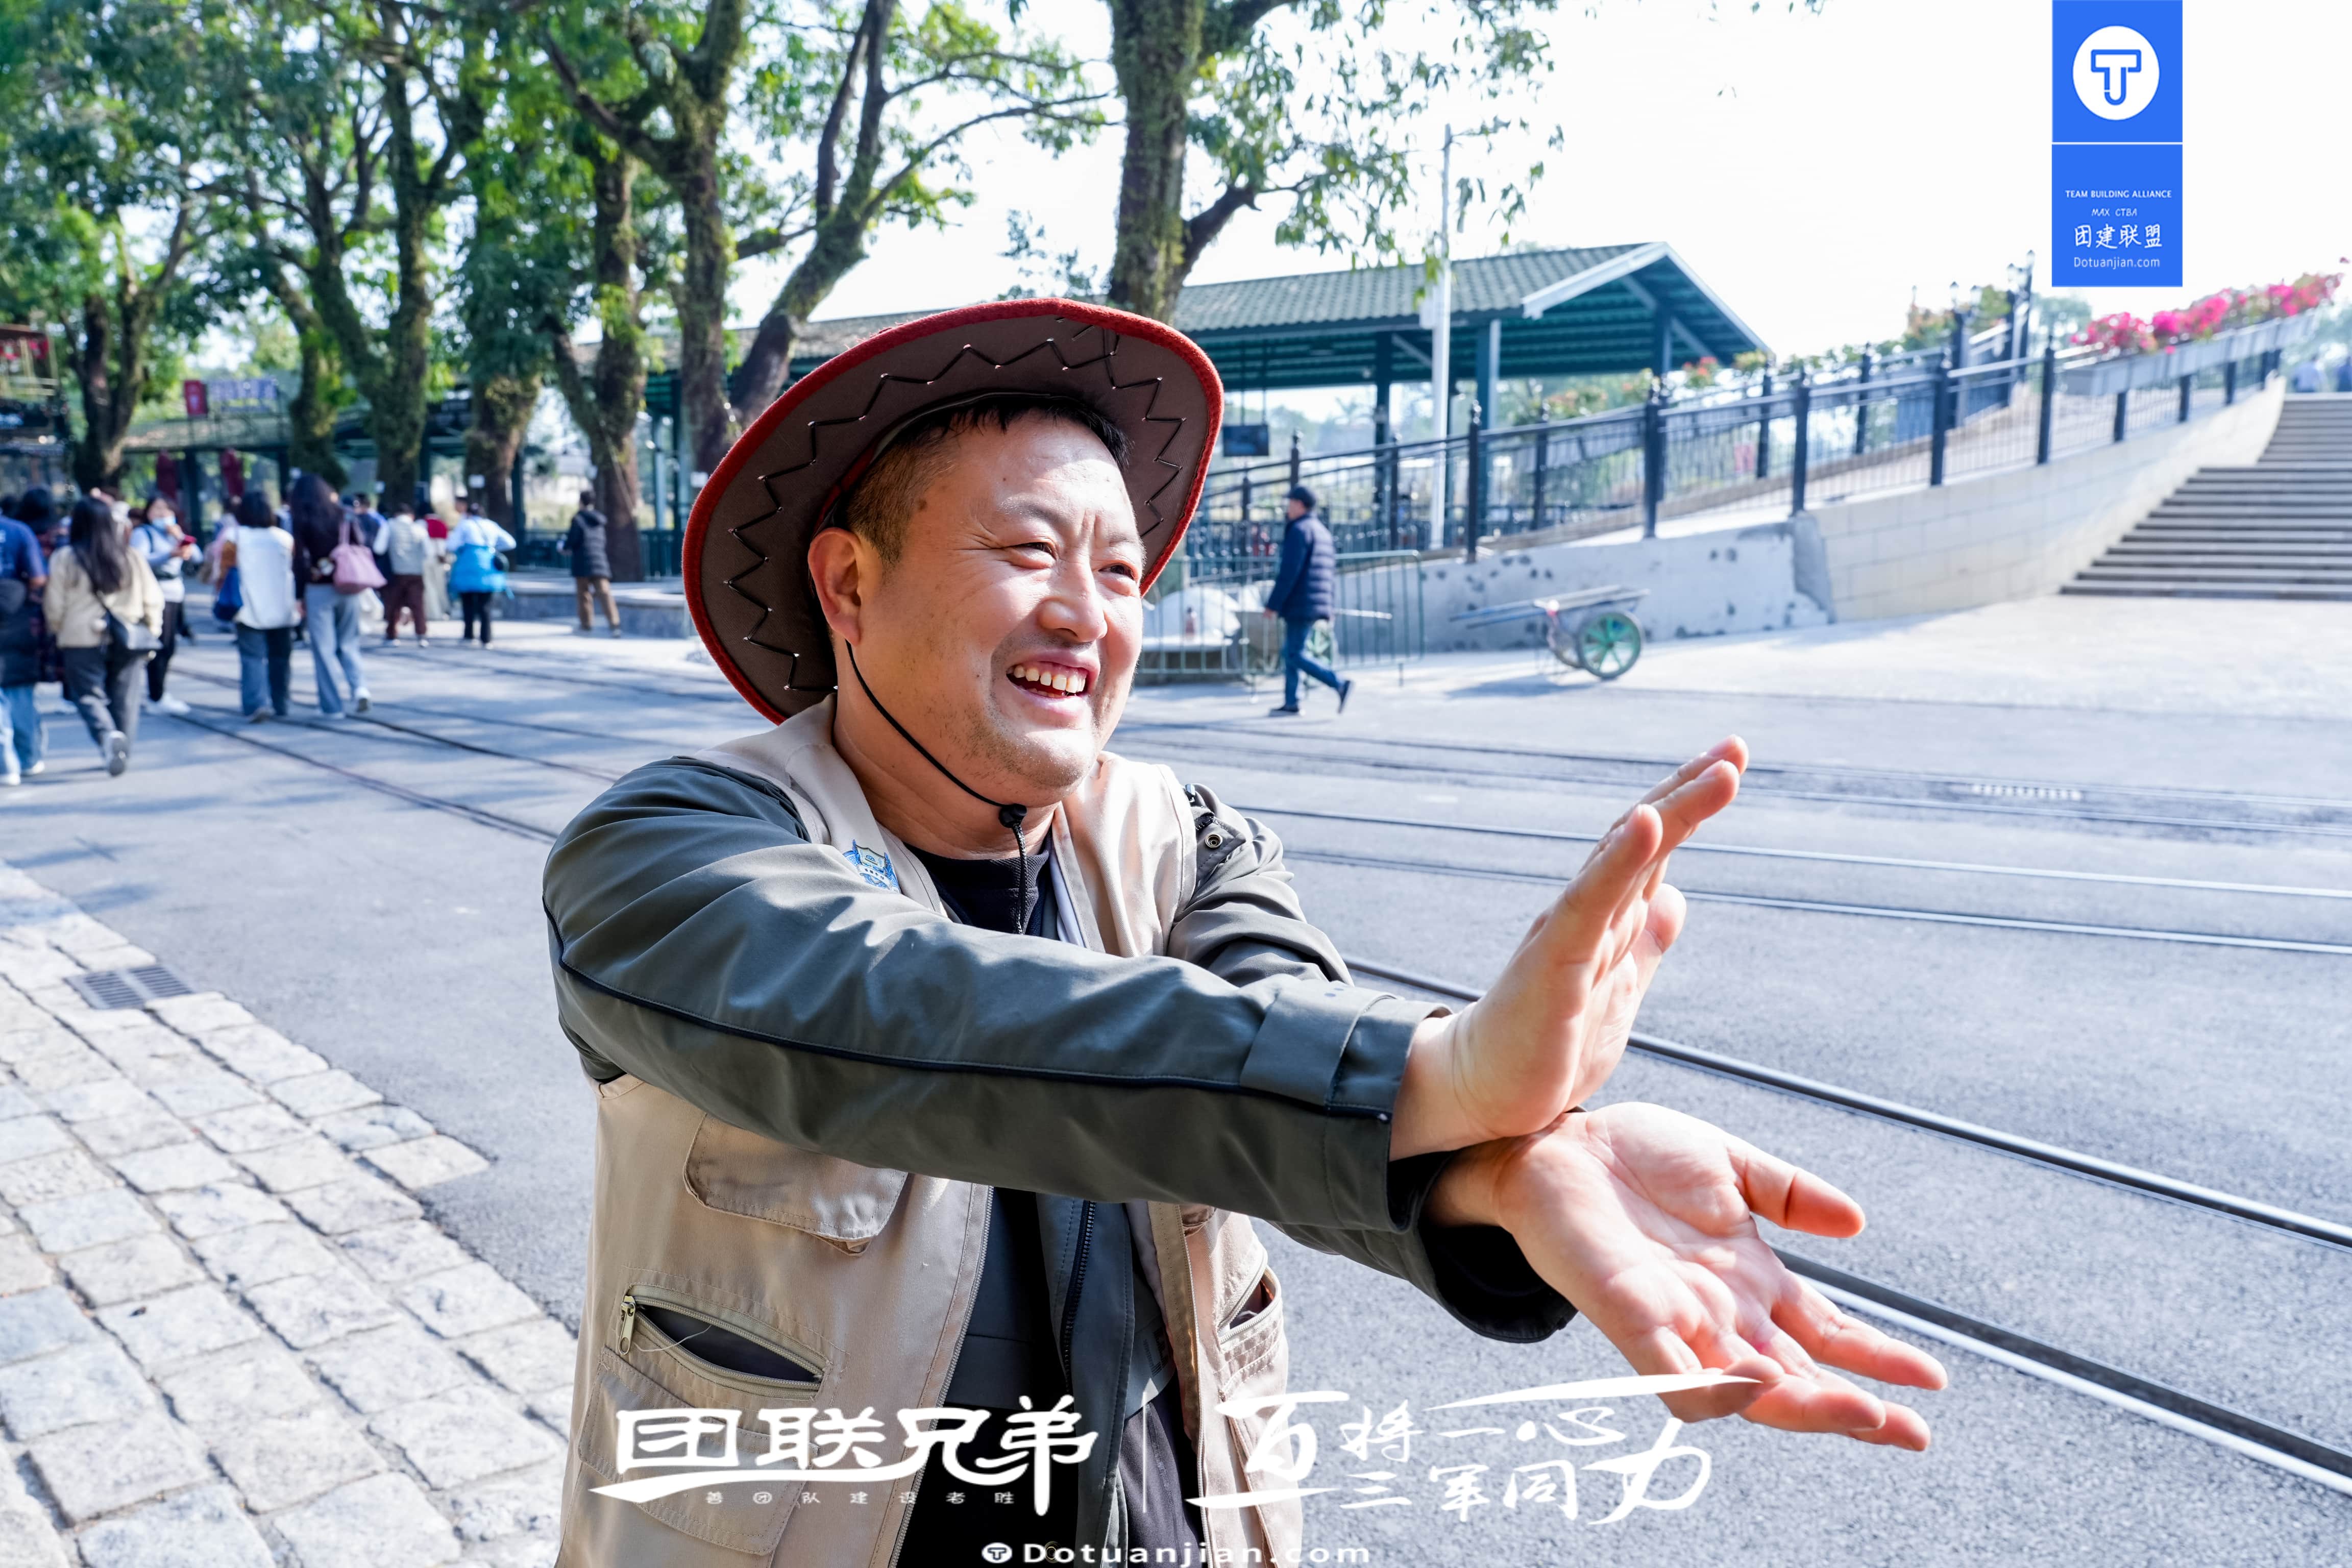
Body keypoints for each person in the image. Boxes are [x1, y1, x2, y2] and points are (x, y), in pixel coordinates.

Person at [544, 301, 1942, 1568]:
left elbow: (1295, 1059)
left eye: (1121, 570)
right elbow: (898, 1008)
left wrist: (1514, 1168)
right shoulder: (666, 850)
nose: (1088, 613)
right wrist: (1436, 1071)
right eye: (1027, 551)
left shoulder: (1193, 839)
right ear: (849, 585)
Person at [42, 494, 161, 776]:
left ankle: (107, 735)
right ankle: (121, 750)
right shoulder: (131, 556)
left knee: (87, 695)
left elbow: (54, 604)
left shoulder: (65, 558)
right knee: (126, 698)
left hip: (81, 638)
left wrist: (58, 629)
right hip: (128, 637)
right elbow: (153, 598)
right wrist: (151, 631)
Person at [1262, 482, 1351, 717]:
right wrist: (1329, 606)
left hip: (1301, 602)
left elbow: (1289, 573)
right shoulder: (1322, 531)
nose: (1287, 508)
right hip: (1313, 602)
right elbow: (1329, 574)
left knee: (1294, 654)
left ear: (1300, 505)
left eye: (1290, 503)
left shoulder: (1299, 531)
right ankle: (1291, 701)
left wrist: (1273, 605)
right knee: (1293, 650)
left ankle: (1338, 683)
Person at [288, 472, 371, 716]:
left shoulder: (301, 519)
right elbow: (360, 544)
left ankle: (332, 707)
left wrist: (299, 595)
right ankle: (360, 688)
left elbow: (299, 561)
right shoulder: (345, 515)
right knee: (349, 642)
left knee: (323, 649)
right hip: (349, 585)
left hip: (319, 589)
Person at [218, 491, 297, 721]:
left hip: (248, 606)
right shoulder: (284, 538)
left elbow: (223, 571)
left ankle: (256, 704)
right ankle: (281, 703)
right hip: (283, 606)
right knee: (281, 657)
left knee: (252, 657)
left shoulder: (235, 536)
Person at [131, 495, 197, 716]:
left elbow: (197, 557)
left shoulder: (175, 534)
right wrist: (169, 554)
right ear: (148, 513)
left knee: (169, 645)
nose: (162, 514)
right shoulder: (143, 534)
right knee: (160, 645)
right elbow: (139, 559)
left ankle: (158, 693)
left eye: (166, 510)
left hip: (176, 592)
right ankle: (156, 696)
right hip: (155, 594)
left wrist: (180, 538)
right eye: (157, 509)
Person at [0, 492, 46, 785]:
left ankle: (6, 765)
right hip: (15, 618)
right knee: (19, 692)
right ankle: (28, 758)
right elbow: (39, 577)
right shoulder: (18, 531)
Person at [447, 497, 515, 647]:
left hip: (468, 567)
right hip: (488, 568)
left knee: (468, 603)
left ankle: (469, 636)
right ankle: (486, 639)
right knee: (486, 604)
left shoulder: (465, 525)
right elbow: (511, 543)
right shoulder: (491, 525)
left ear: (469, 514)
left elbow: (451, 545)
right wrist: (492, 548)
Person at [560, 489, 621, 636]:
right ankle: (615, 625)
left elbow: (572, 540)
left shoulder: (578, 519)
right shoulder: (600, 520)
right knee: (605, 594)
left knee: (584, 594)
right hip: (600, 561)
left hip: (582, 562)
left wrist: (564, 547)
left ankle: (586, 625)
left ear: (581, 502)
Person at [377, 499, 437, 645]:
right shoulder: (419, 528)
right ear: (411, 515)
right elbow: (429, 552)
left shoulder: (389, 526)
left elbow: (379, 548)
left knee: (393, 604)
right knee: (418, 605)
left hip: (396, 572)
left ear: (396, 514)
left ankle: (392, 635)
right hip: (416, 573)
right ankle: (422, 634)